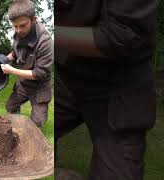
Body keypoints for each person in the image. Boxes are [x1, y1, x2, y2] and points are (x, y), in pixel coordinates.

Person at [55, 0, 157, 179]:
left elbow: (123, 36)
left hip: (118, 90)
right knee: (26, 132)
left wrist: (46, 34)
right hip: (67, 78)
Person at [0, 0, 53, 128]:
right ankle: (16, 127)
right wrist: (1, 61)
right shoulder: (18, 34)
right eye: (15, 26)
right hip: (23, 84)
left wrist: (12, 70)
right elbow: (15, 53)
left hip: (39, 87)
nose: (18, 30)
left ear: (33, 19)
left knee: (37, 123)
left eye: (22, 25)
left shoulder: (45, 41)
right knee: (10, 106)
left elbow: (40, 73)